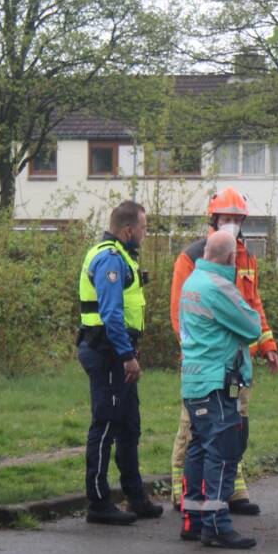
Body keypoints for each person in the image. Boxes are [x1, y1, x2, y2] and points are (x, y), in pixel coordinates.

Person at [169, 188, 278, 517]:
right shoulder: (192, 257)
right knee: (195, 427)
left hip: (236, 363)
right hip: (208, 363)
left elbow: (254, 304)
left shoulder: (245, 255)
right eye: (226, 218)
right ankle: (182, 489)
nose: (231, 224)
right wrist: (193, 352)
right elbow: (180, 314)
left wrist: (268, 345)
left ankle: (231, 487)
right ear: (213, 219)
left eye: (236, 219)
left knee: (235, 423)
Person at [76, 200, 163, 525]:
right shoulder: (110, 259)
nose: (145, 234)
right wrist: (127, 357)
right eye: (143, 228)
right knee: (106, 424)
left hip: (117, 350)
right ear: (128, 230)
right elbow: (111, 314)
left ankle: (135, 496)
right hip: (108, 352)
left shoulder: (122, 256)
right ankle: (98, 503)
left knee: (129, 426)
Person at [178, 231, 263, 549]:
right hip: (217, 381)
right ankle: (217, 525)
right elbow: (252, 325)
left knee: (199, 449)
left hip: (195, 380)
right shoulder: (218, 286)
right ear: (230, 258)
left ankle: (194, 519)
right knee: (223, 452)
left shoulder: (192, 282)